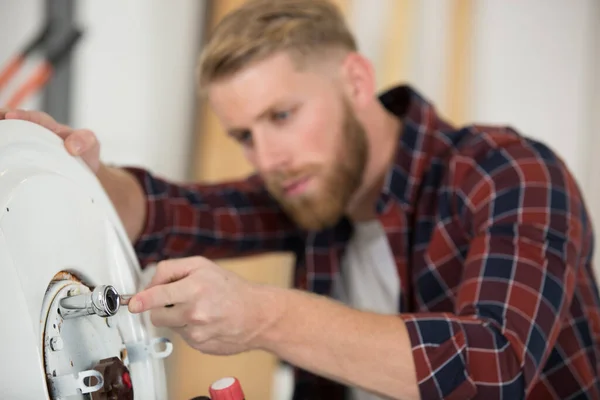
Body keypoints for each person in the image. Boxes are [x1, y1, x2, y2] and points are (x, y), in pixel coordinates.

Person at [2, 0, 600, 398]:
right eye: (244, 136)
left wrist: (263, 316)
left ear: (356, 82)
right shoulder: (312, 190)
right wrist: (85, 176)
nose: (267, 158)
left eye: (282, 116)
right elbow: (169, 212)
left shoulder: (507, 173)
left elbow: (495, 367)